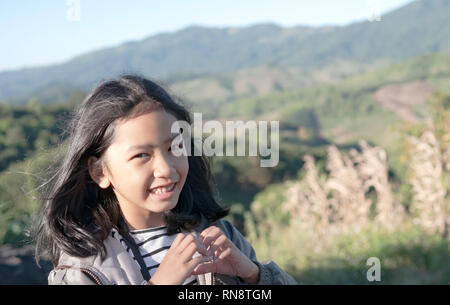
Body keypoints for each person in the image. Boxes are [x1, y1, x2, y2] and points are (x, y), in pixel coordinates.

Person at [34, 74, 297, 285]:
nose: (166, 169)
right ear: (100, 172)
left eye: (175, 148)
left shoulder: (219, 235)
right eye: (142, 155)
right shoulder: (84, 269)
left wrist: (253, 275)